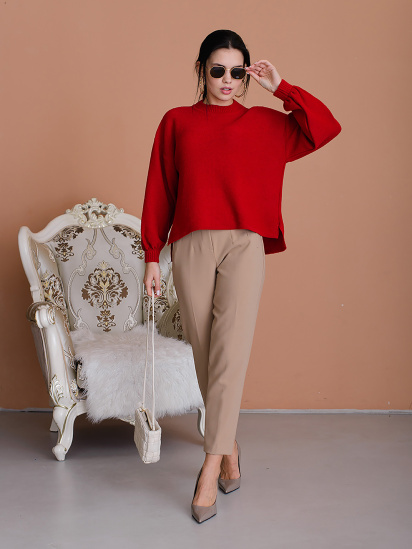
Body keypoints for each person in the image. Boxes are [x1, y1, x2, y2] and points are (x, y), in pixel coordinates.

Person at [141, 29, 342, 523]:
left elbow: (326, 126)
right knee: (205, 353)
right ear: (201, 70)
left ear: (246, 76)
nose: (227, 80)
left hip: (245, 246)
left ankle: (210, 468)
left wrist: (282, 87)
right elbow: (160, 188)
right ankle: (229, 447)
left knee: (230, 353)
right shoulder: (177, 122)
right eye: (218, 70)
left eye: (236, 71)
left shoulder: (267, 125)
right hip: (191, 243)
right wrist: (151, 255)